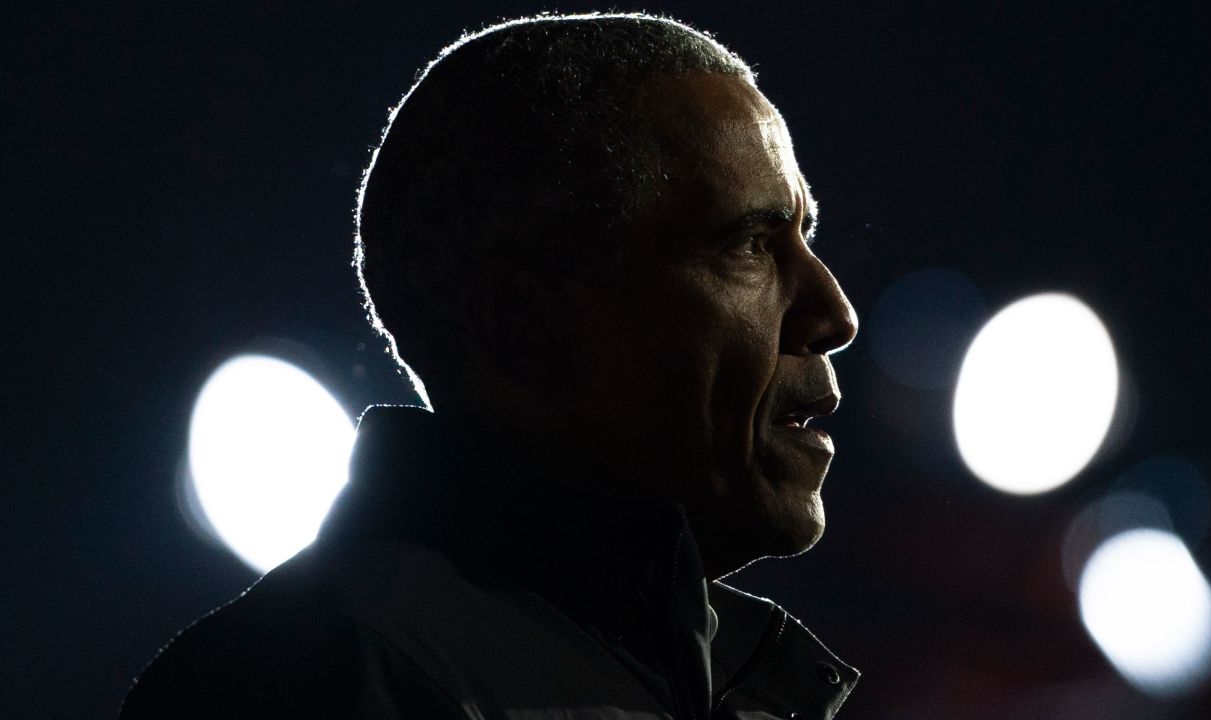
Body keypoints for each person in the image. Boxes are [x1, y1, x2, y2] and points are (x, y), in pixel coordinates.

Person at [121, 12, 860, 719]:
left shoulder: (725, 679)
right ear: (524, 322)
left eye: (803, 235)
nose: (834, 313)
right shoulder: (311, 679)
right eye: (750, 245)